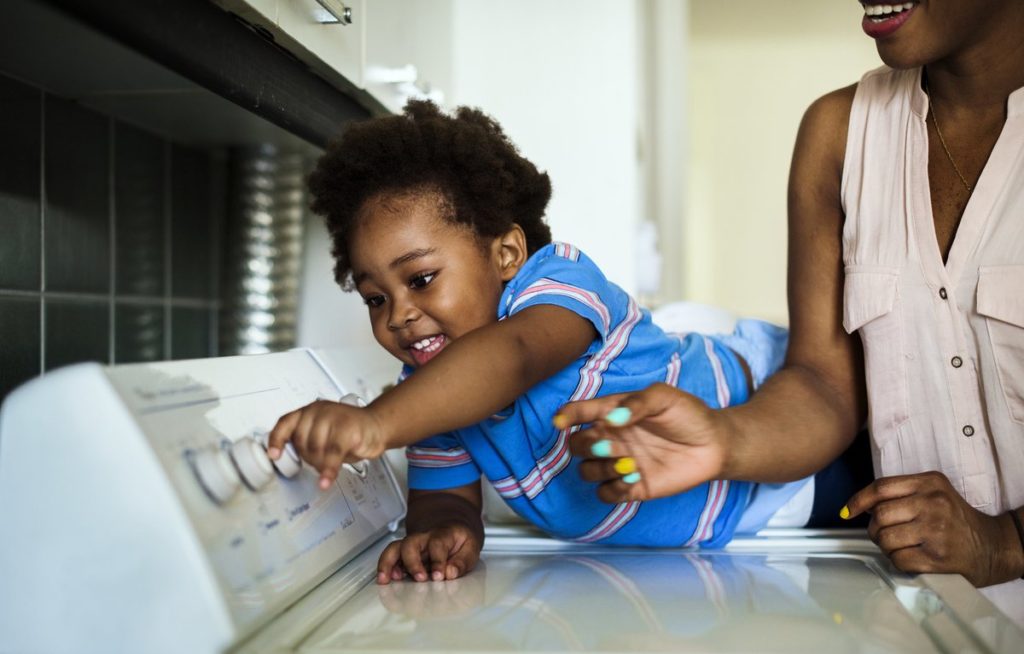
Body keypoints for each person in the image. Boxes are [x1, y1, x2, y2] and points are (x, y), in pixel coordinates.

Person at [557, 0, 1024, 624]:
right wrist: (722, 440)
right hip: (918, 613)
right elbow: (825, 385)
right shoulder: (839, 132)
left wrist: (1006, 542)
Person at [267, 101, 844, 586]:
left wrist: (375, 423)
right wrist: (444, 532)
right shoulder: (427, 399)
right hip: (719, 536)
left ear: (508, 255)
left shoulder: (558, 284)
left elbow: (513, 357)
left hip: (785, 439)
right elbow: (446, 498)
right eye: (375, 298)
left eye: (420, 279)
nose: (399, 316)